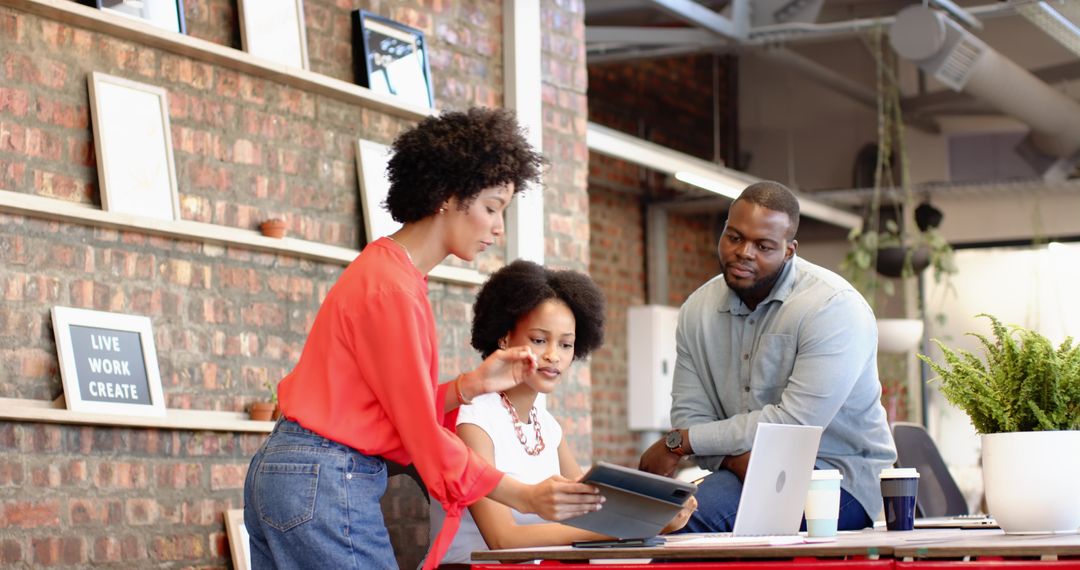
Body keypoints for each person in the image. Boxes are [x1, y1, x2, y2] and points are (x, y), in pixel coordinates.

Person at [243, 108, 603, 570]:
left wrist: (467, 386)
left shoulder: (386, 272)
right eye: (491, 208)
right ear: (447, 196)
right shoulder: (394, 288)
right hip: (326, 476)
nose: (498, 227)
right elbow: (422, 437)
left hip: (289, 469)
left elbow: (385, 409)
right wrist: (525, 495)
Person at [638, 181, 897, 533]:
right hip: (738, 473)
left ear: (789, 251)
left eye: (763, 246)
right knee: (657, 513)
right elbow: (690, 415)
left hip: (834, 478)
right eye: (734, 237)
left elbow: (791, 424)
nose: (744, 252)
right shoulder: (697, 310)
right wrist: (732, 458)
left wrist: (682, 443)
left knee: (684, 521)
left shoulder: (832, 308)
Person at [426, 260, 695, 566]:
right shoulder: (473, 418)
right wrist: (635, 529)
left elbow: (592, 504)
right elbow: (502, 539)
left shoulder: (547, 426)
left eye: (566, 344)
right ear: (504, 337)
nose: (554, 355)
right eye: (539, 340)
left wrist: (658, 508)